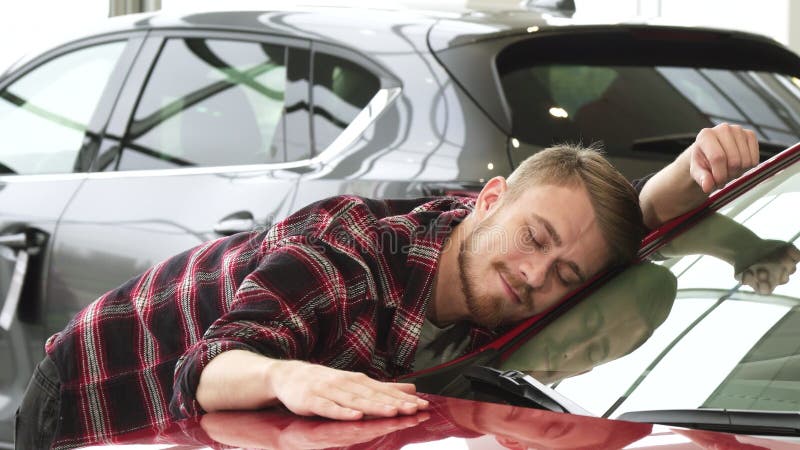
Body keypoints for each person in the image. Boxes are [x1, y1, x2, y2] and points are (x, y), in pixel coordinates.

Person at [15, 123, 759, 449]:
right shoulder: (351, 258)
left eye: (565, 277)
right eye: (533, 240)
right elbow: (210, 369)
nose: (536, 276)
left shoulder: (531, 266)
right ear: (490, 197)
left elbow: (615, 230)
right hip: (100, 385)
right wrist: (288, 377)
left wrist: (693, 177)